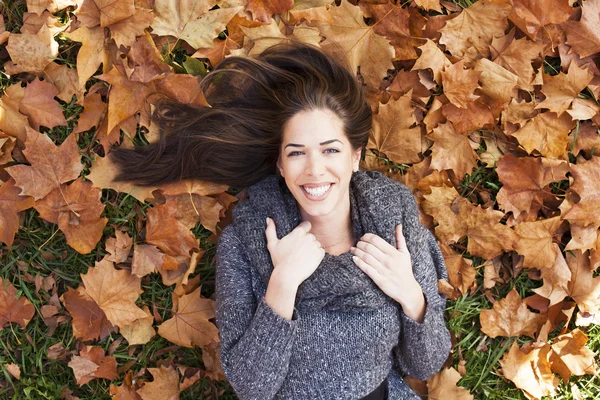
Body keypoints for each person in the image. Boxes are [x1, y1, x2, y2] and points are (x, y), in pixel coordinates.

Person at [110, 40, 452, 399]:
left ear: (355, 155)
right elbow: (251, 387)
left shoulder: (394, 222)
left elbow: (424, 364)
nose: (315, 170)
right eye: (297, 153)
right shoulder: (247, 241)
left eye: (330, 150)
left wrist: (412, 296)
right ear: (280, 165)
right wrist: (283, 283)